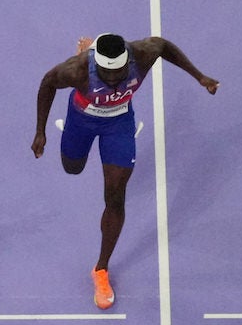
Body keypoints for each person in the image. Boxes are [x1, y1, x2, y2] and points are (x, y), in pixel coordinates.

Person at [32, 31, 218, 308]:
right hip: (81, 121)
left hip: (118, 125)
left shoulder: (142, 54)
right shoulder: (76, 70)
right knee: (72, 168)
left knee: (115, 196)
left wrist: (200, 76)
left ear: (126, 61)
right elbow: (47, 84)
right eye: (108, 76)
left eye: (120, 73)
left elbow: (164, 45)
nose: (115, 80)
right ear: (97, 65)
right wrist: (40, 133)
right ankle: (89, 48)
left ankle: (101, 269)